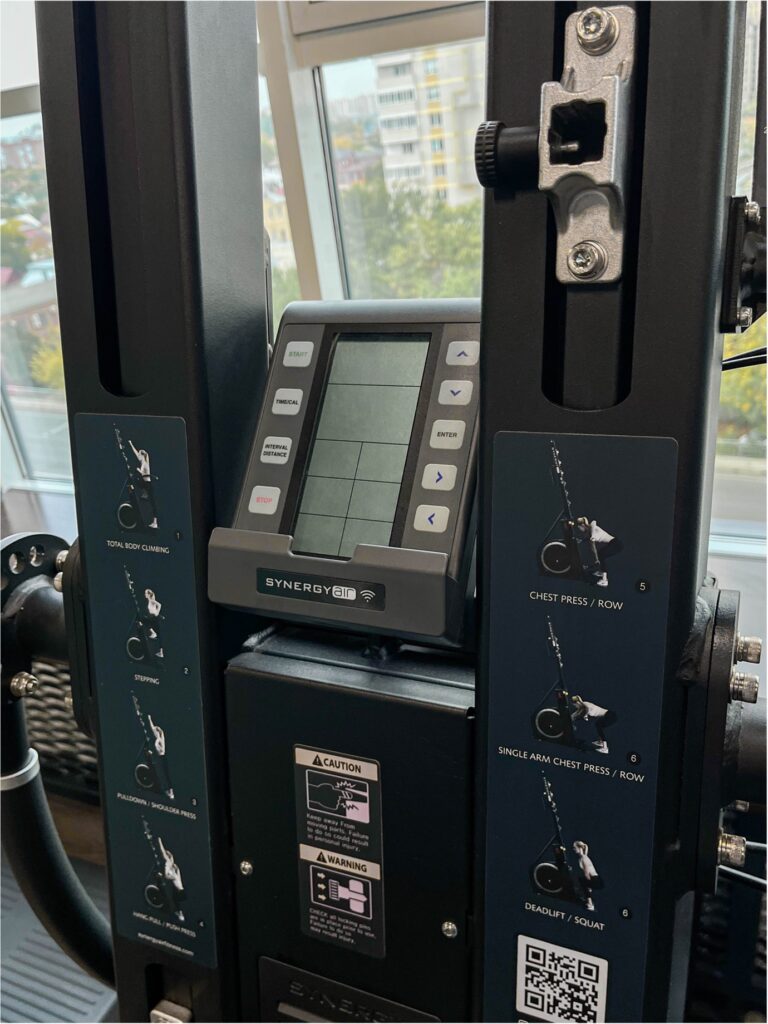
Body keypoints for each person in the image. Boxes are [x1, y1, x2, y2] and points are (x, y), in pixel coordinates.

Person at [573, 516, 615, 587]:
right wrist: (596, 559)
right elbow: (593, 549)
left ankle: (604, 580)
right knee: (600, 555)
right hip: (612, 544)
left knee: (601, 555)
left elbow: (593, 522)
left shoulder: (592, 529)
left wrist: (593, 535)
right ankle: (601, 572)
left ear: (582, 525)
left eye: (579, 528)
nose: (580, 530)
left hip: (616, 543)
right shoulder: (590, 534)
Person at [128, 439, 158, 529]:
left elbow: (142, 473)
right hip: (144, 484)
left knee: (152, 503)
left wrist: (138, 470)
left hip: (147, 484)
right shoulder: (142, 462)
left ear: (142, 456)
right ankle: (142, 494)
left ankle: (155, 522)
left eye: (139, 454)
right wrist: (130, 444)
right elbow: (135, 453)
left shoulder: (145, 463)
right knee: (135, 482)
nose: (138, 456)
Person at [573, 840, 599, 911]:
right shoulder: (582, 857)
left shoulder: (584, 858)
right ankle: (583, 897)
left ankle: (590, 905)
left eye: (575, 847)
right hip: (593, 878)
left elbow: (587, 873)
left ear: (579, 848)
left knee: (582, 882)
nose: (573, 849)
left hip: (594, 879)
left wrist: (589, 885)